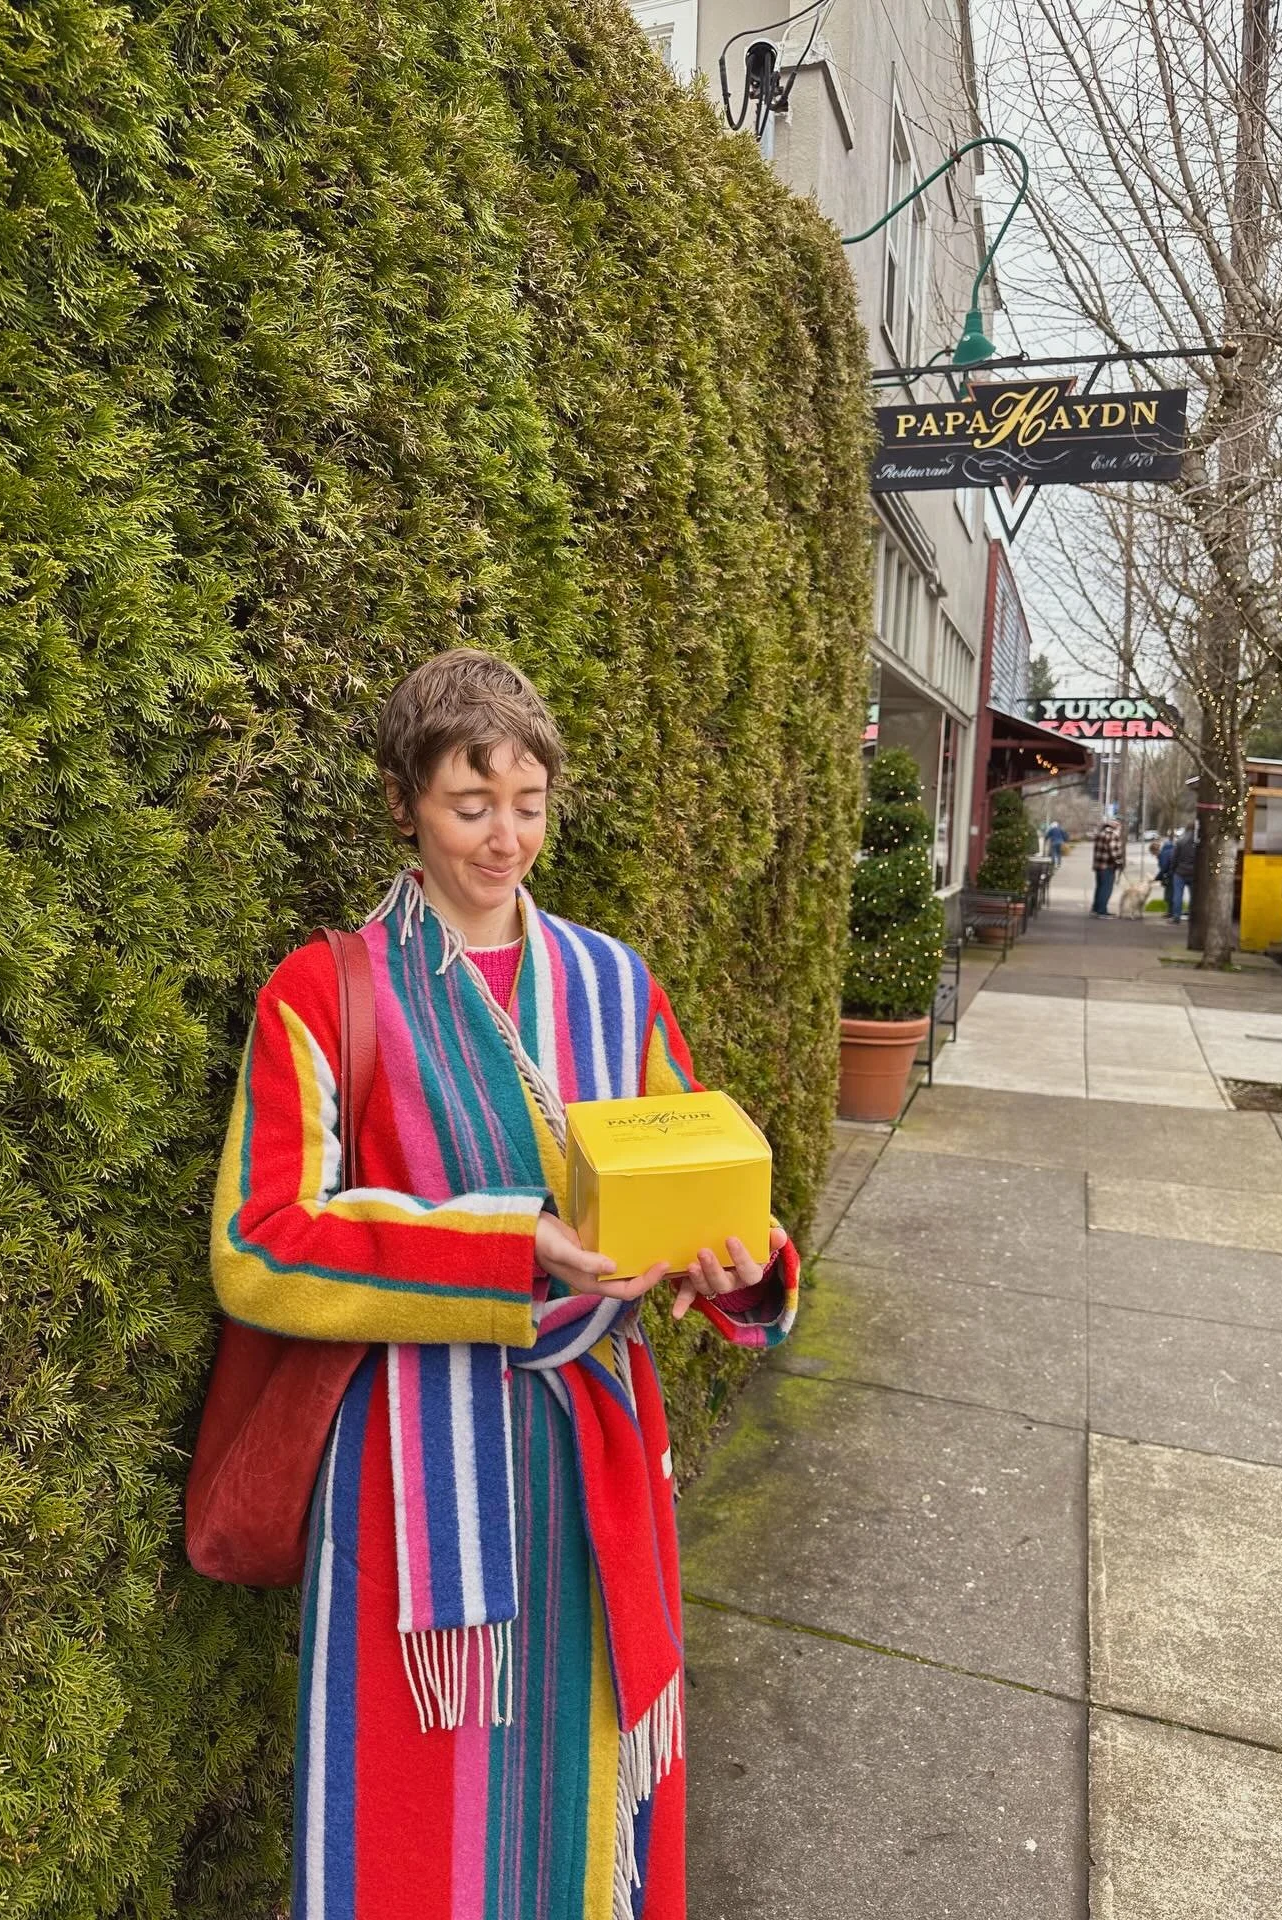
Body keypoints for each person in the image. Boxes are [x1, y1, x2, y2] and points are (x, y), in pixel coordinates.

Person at [209, 648, 798, 1920]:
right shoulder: (327, 991)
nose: (506, 837)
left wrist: (742, 1264)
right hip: (409, 1486)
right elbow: (259, 1242)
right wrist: (509, 1240)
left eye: (527, 803)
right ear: (402, 803)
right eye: (471, 805)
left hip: (595, 1459)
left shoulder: (614, 981)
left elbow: (692, 1170)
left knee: (588, 1803)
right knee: (414, 1826)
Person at [1091, 814, 1125, 916]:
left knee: (1099, 887)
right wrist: (1120, 863)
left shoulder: (1101, 833)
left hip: (1098, 865)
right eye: (1119, 824)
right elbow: (1114, 852)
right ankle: (1102, 911)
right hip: (1108, 866)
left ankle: (1096, 908)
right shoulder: (1112, 835)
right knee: (1106, 889)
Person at [1170, 821, 1198, 923]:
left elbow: (1174, 857)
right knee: (1193, 896)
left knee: (1178, 895)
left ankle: (1176, 916)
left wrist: (1173, 869)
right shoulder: (1198, 842)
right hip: (1194, 872)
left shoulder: (1180, 841)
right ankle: (1192, 916)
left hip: (1180, 872)